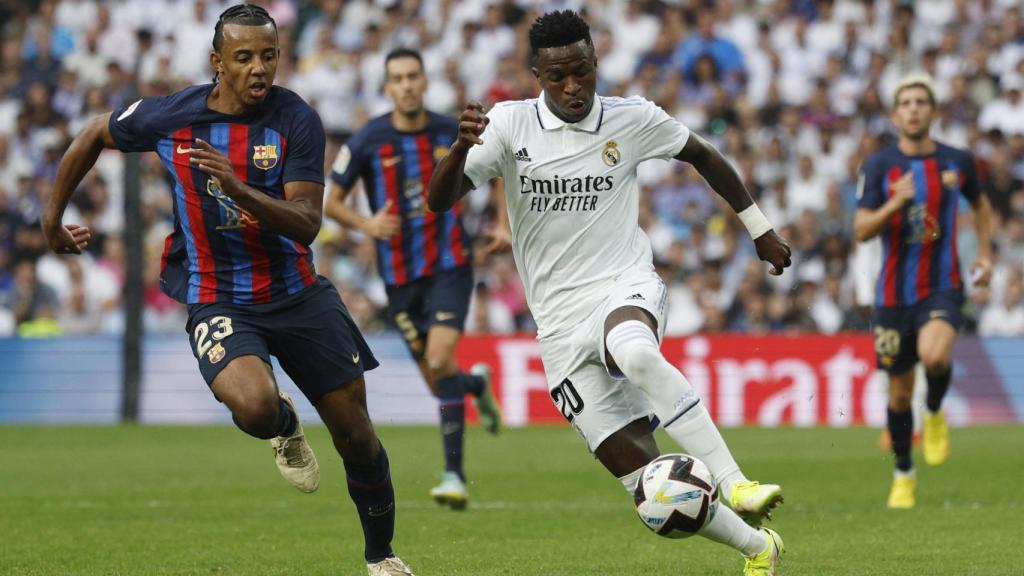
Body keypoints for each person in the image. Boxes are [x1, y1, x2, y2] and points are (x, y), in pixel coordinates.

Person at [40, 5, 414, 575]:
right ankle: (284, 428)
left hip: (297, 293)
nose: (259, 68)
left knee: (357, 436)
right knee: (257, 406)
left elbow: (307, 222)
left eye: (269, 56)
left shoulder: (296, 120)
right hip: (219, 295)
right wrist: (51, 219)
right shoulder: (172, 116)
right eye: (244, 58)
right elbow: (95, 132)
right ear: (218, 62)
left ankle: (381, 558)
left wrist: (237, 189)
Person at [428, 10, 790, 576]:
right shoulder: (507, 126)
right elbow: (438, 199)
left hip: (624, 283)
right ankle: (758, 549)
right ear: (537, 76)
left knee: (637, 351)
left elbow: (704, 155)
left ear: (595, 64)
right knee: (652, 488)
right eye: (556, 77)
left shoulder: (633, 118)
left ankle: (734, 479)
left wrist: (759, 228)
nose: (571, 87)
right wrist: (457, 149)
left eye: (581, 72)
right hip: (559, 327)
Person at [326, 48, 506, 510]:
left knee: (441, 359)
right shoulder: (369, 139)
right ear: (387, 88)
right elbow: (333, 200)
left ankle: (454, 476)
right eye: (397, 79)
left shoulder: (451, 131)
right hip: (399, 278)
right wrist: (365, 225)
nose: (406, 85)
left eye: (412, 76)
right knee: (438, 380)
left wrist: (503, 223)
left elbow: (502, 167)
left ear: (425, 82)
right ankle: (477, 387)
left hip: (450, 264)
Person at [853, 73, 993, 510]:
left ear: (932, 111)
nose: (914, 108)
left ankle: (933, 410)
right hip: (893, 295)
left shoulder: (957, 161)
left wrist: (985, 254)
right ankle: (903, 473)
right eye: (906, 102)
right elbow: (860, 230)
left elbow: (983, 206)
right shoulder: (879, 166)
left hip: (943, 285)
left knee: (935, 356)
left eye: (921, 101)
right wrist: (894, 204)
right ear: (896, 115)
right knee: (897, 393)